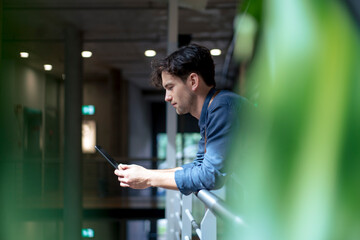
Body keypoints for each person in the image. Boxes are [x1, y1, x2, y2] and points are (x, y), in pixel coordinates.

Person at [114, 43, 248, 195]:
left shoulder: (222, 107)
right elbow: (199, 166)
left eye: (170, 87)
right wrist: (146, 173)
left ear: (193, 81)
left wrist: (148, 178)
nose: (167, 97)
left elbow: (210, 176)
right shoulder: (214, 108)